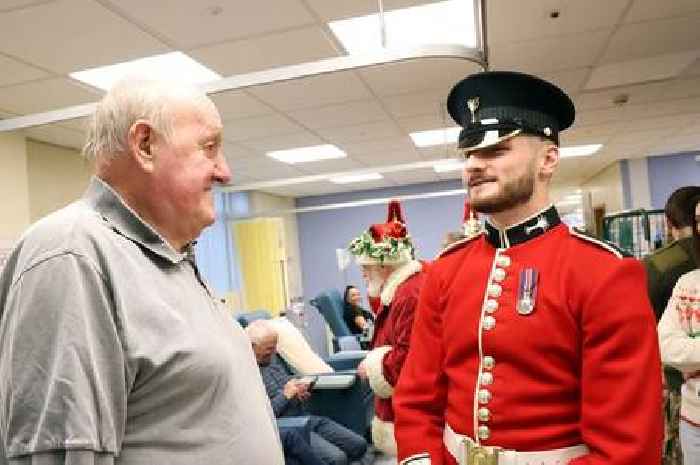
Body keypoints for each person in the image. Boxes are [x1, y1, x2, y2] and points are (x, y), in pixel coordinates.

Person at [0, 78, 284, 465]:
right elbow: (61, 453)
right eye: (209, 147)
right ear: (145, 145)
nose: (225, 172)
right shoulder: (72, 252)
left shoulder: (174, 256)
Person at [393, 71, 663, 465]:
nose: (473, 165)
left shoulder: (603, 272)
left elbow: (627, 449)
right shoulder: (447, 270)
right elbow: (416, 400)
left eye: (495, 151)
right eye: (468, 154)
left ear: (548, 158)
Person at [348, 200, 426, 456]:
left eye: (366, 267)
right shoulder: (401, 290)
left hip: (415, 411)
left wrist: (371, 364)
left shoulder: (409, 295)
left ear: (384, 264)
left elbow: (409, 358)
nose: (363, 274)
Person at [246, 320, 370, 465]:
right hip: (291, 426)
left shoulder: (270, 359)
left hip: (305, 416)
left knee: (359, 444)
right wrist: (285, 396)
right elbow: (262, 418)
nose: (273, 353)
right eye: (268, 349)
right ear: (251, 346)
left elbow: (287, 388)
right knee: (337, 458)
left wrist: (298, 394)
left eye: (274, 348)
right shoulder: (246, 375)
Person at [645, 186, 700, 465]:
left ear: (669, 223)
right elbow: (665, 342)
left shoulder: (656, 265)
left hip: (676, 384)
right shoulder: (686, 278)